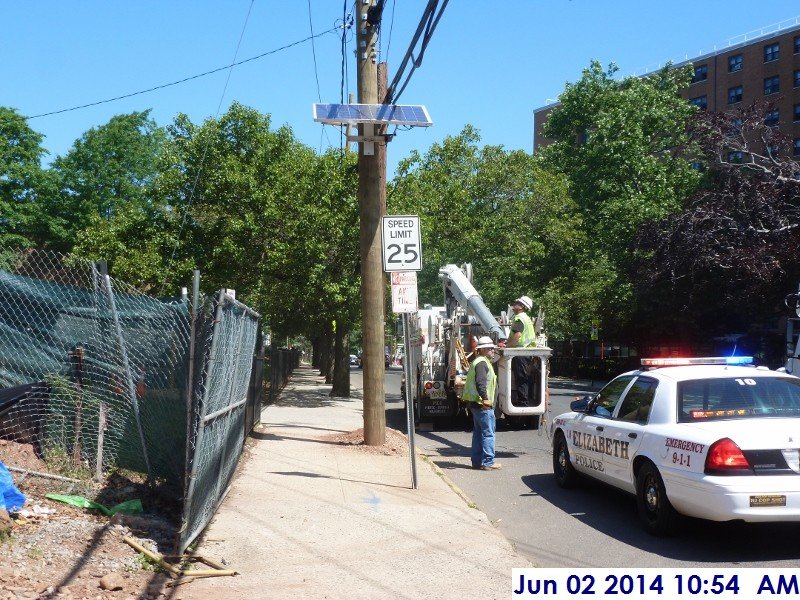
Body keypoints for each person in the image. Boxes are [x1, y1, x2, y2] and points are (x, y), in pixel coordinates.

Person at [463, 336, 501, 470]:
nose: (493, 350)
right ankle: (488, 462)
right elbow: (481, 382)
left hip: (476, 404)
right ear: (483, 349)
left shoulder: (480, 361)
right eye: (490, 348)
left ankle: (477, 461)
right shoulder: (482, 363)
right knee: (488, 433)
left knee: (479, 434)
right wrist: (485, 398)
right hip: (482, 404)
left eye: (493, 348)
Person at [507, 295, 536, 406]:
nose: (514, 304)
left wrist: (507, 346)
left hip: (521, 352)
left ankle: (523, 402)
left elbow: (518, 335)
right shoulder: (526, 318)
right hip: (526, 351)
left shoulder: (519, 318)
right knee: (524, 376)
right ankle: (526, 399)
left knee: (520, 377)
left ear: (522, 306)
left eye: (517, 303)